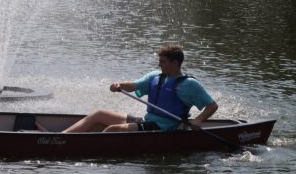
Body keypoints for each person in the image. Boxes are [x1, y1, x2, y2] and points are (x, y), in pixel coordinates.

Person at [63, 45, 218, 133]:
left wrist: (198, 120)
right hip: (148, 121)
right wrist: (120, 85)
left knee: (112, 130)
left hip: (164, 128)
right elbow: (134, 86)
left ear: (175, 63)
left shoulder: (189, 85)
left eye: (163, 62)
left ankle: (86, 149)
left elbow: (212, 105)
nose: (159, 65)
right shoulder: (155, 76)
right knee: (99, 114)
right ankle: (61, 138)